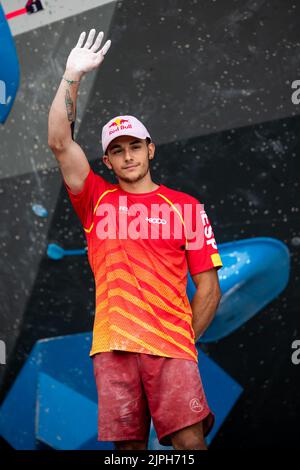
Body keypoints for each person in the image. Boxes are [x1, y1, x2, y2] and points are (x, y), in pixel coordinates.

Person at [48, 29, 223, 451]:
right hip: (113, 346)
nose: (127, 156)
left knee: (189, 447)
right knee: (127, 454)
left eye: (135, 146)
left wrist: (181, 340)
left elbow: (210, 288)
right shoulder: (94, 198)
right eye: (117, 150)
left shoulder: (186, 207)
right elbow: (59, 141)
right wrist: (71, 75)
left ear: (150, 150)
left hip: (170, 349)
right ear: (106, 160)